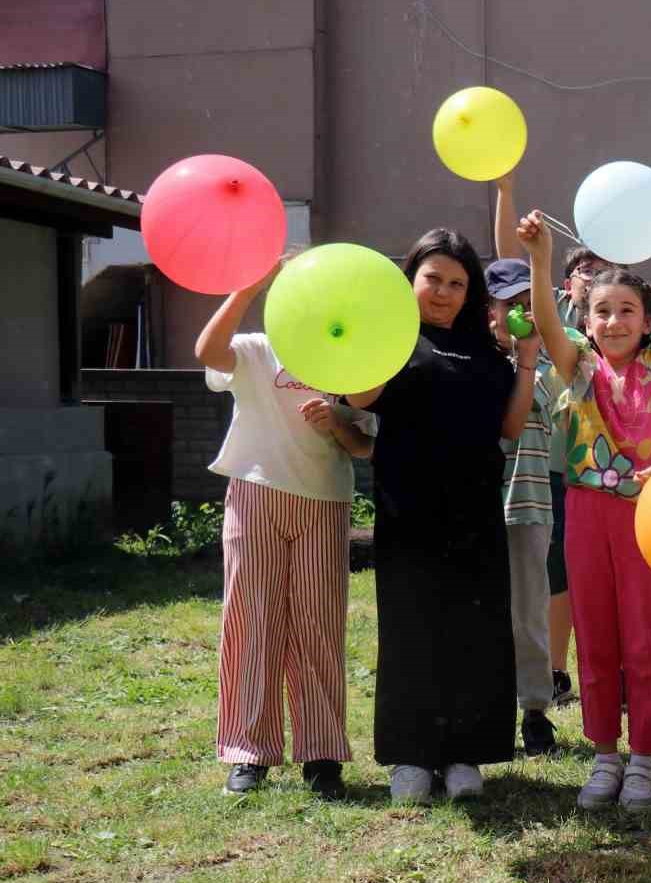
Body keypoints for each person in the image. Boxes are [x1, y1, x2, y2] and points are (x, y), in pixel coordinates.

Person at [347, 229, 539, 803]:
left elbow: (509, 427)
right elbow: (359, 399)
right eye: (432, 278)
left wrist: (526, 361)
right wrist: (380, 336)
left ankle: (464, 753)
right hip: (408, 508)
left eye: (457, 283)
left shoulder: (486, 349)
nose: (443, 292)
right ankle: (411, 755)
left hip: (476, 508)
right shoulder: (393, 340)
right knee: (411, 628)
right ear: (410, 278)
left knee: (474, 630)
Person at [518, 209, 651, 814]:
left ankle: (643, 758)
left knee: (643, 639)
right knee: (595, 637)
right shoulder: (578, 368)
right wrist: (542, 260)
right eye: (602, 311)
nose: (615, 320)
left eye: (627, 310)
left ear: (645, 321)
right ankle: (604, 754)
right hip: (587, 511)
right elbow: (544, 318)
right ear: (585, 322)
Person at [195, 258, 375, 800]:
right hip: (255, 494)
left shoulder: (347, 357)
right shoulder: (254, 348)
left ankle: (322, 754)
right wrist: (244, 287)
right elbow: (207, 353)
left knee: (319, 625)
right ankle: (248, 752)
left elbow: (365, 443)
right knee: (252, 622)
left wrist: (336, 423)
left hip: (324, 502)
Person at [494, 169, 615, 709]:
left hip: (571, 475)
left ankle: (556, 679)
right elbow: (510, 268)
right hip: (519, 475)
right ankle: (535, 681)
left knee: (554, 584)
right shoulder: (528, 324)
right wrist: (506, 194)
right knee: (524, 586)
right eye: (583, 270)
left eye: (600, 271)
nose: (592, 277)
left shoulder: (582, 334)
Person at [484, 257, 565, 757]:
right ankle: (487, 708)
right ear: (489, 313)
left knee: (530, 612)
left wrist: (531, 355)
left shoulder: (551, 366)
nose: (517, 314)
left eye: (527, 305)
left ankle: (535, 711)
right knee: (484, 612)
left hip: (532, 503)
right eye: (506, 305)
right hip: (479, 505)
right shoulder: (476, 362)